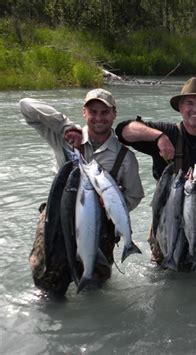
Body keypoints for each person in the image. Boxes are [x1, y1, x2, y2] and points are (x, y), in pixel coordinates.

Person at [20, 88, 145, 297]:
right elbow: (26, 106)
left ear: (114, 114)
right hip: (57, 220)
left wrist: (114, 203)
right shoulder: (63, 137)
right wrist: (67, 126)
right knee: (48, 286)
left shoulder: (126, 158)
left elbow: (135, 195)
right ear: (83, 112)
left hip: (98, 226)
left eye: (104, 112)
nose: (98, 118)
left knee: (96, 289)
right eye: (93, 111)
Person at [115, 77, 196, 269]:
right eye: (189, 103)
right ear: (180, 107)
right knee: (163, 276)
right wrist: (158, 137)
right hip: (165, 226)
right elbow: (123, 131)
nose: (195, 109)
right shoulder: (167, 132)